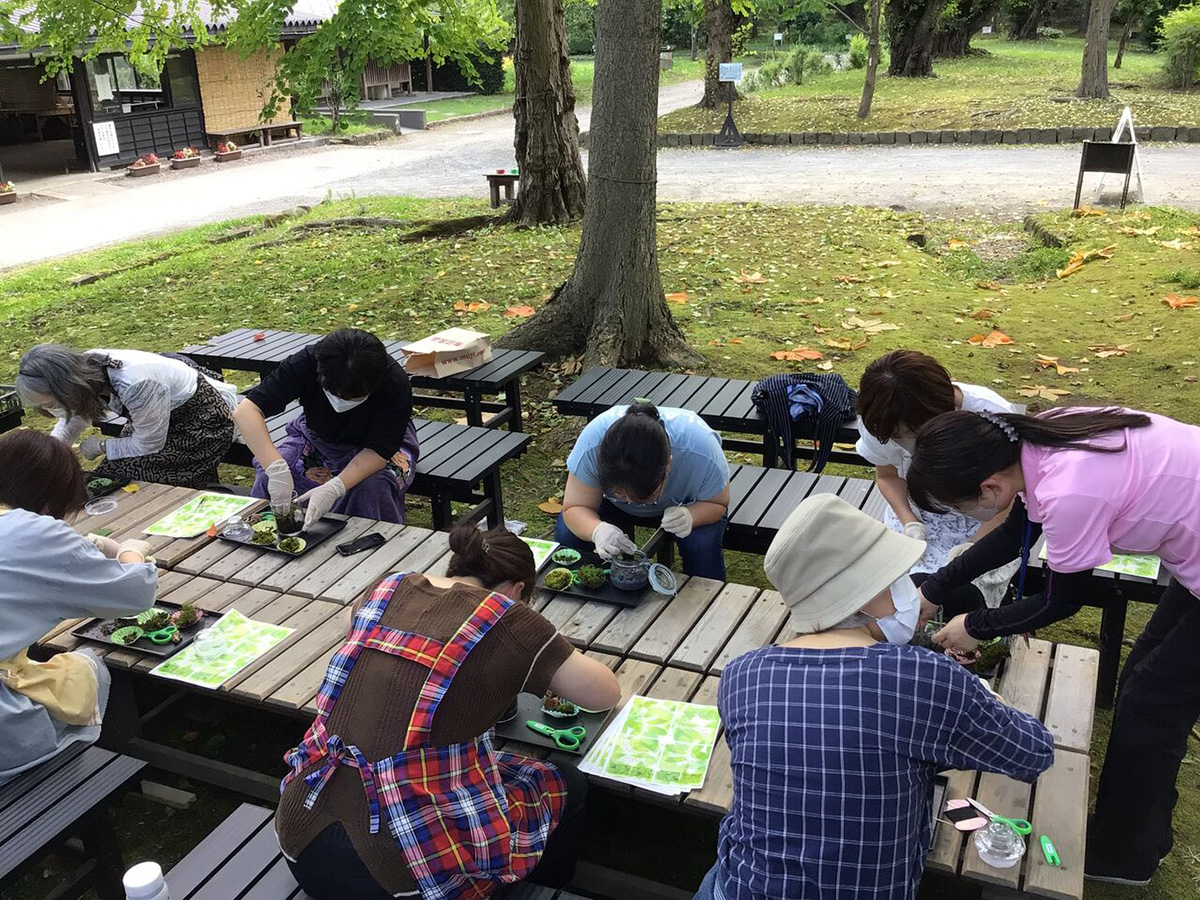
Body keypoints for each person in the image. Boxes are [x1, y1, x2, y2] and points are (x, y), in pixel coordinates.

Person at [696, 493, 1054, 900]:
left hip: (737, 887)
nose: (910, 587)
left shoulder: (743, 673)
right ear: (866, 598)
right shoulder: (922, 677)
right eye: (898, 576)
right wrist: (979, 693)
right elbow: (1034, 752)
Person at [906, 406, 1200, 887]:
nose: (967, 517)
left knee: (1152, 704)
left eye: (960, 508)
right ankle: (1145, 830)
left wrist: (975, 625)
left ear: (990, 489)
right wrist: (934, 589)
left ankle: (1123, 858)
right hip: (1193, 553)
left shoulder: (1069, 491)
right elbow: (1014, 535)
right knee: (1143, 680)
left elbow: (1063, 600)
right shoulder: (1039, 439)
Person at [276, 524, 621, 900]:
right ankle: (538, 890)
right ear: (516, 590)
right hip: (400, 880)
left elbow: (352, 629)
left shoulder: (388, 587)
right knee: (562, 780)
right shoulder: (509, 617)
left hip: (298, 841)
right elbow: (604, 693)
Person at [0, 430, 158, 784]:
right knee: (88, 664)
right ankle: (96, 772)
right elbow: (136, 594)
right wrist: (129, 552)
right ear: (48, 502)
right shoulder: (36, 530)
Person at [856, 349, 1020, 614]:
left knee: (962, 595)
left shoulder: (990, 415)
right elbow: (886, 476)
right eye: (900, 436)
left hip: (989, 519)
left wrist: (975, 546)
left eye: (916, 431)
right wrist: (909, 521)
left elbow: (1013, 498)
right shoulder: (880, 418)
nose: (911, 443)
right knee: (894, 594)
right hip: (918, 516)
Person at [233, 329, 419, 528]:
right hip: (316, 438)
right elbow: (247, 411)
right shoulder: (308, 362)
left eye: (352, 398)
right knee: (269, 474)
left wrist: (335, 487)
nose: (341, 402)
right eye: (335, 394)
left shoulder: (394, 382)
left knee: (371, 487)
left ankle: (366, 548)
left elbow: (380, 450)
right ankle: (273, 537)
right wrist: (276, 469)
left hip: (378, 448)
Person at [16, 344, 237, 488]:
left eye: (52, 404)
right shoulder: (85, 373)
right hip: (154, 419)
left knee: (141, 483)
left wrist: (102, 447)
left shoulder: (136, 383)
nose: (52, 410)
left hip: (201, 422)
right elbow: (74, 415)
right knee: (106, 477)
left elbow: (149, 443)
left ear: (67, 388)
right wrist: (53, 451)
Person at [556, 404, 731, 580]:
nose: (632, 502)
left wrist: (691, 516)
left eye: (644, 496)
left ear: (668, 464)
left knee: (702, 546)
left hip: (686, 503)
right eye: (621, 493)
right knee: (568, 534)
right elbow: (576, 506)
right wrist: (596, 530)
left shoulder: (701, 449)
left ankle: (704, 600)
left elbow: (718, 502)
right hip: (612, 506)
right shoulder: (592, 444)